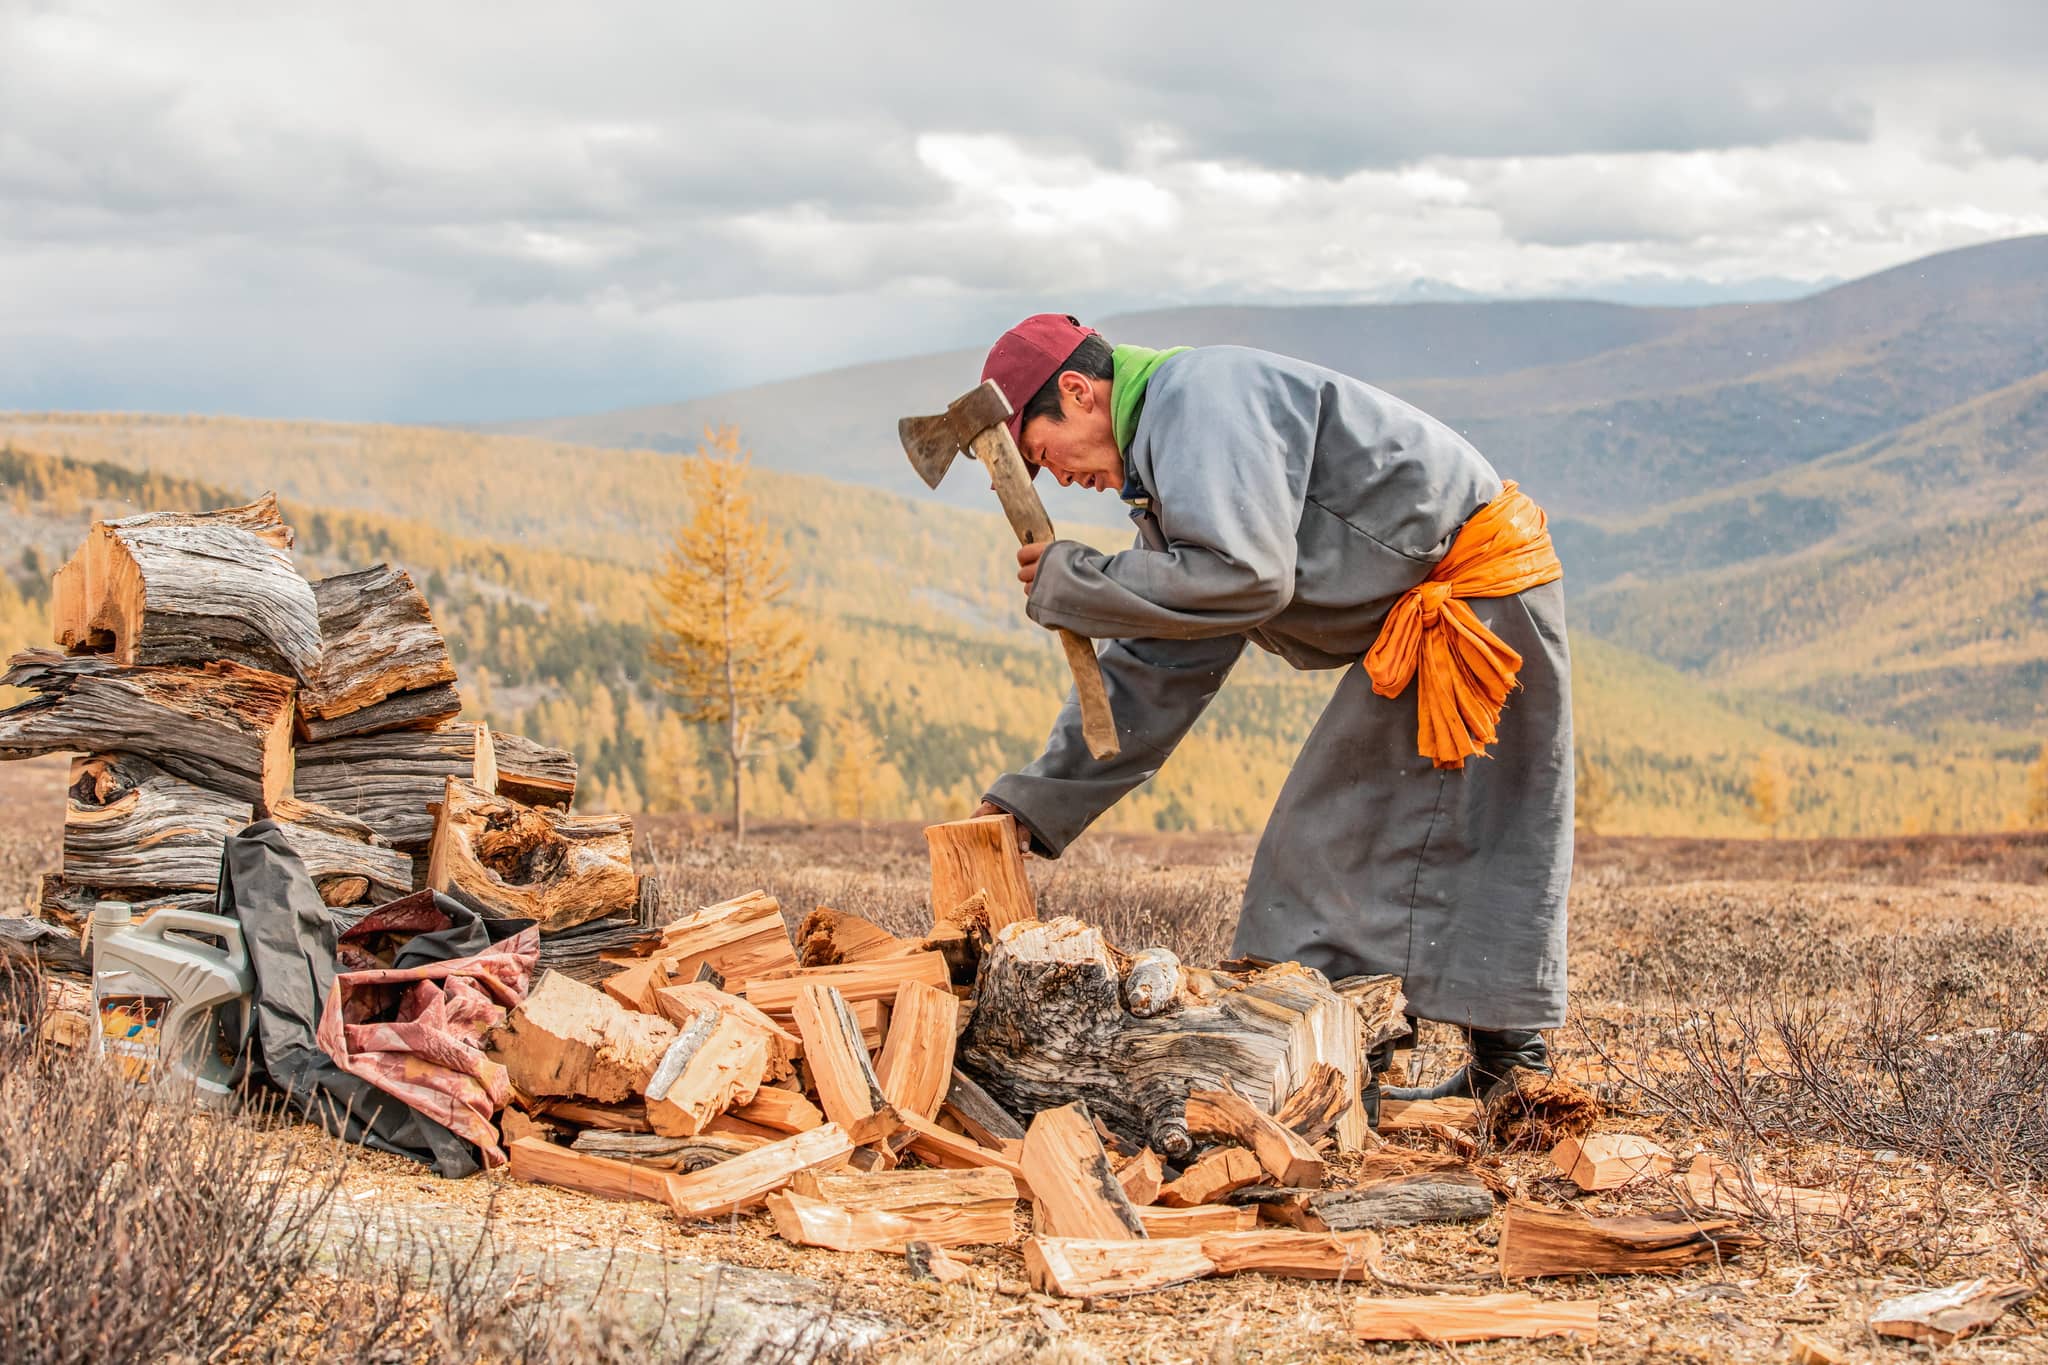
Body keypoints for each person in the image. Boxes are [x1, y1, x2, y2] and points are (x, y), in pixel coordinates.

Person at [970, 313, 1572, 1115]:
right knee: (1430, 834)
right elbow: (1162, 663)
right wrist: (1031, 802)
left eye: (1044, 454)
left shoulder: (1197, 404)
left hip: (1476, 608)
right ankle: (1491, 1073)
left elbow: (1246, 579)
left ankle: (1346, 1076)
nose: (1057, 480)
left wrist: (1076, 578)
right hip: (1452, 610)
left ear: (1078, 393)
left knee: (1334, 844)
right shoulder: (1170, 454)